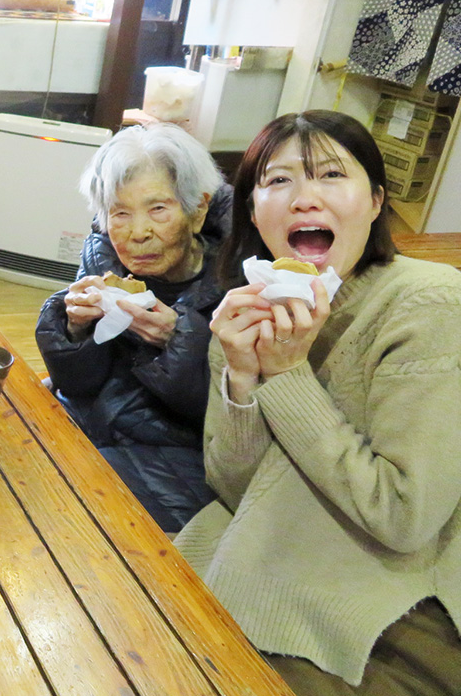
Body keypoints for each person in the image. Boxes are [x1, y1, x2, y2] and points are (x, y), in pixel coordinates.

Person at [176, 111, 461, 695]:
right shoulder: (247, 314)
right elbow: (234, 489)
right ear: (254, 211)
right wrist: (241, 374)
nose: (305, 198)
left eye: (332, 175)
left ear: (377, 201)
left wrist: (287, 374)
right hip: (252, 551)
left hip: (388, 600)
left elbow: (405, 518)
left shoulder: (429, 305)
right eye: (278, 181)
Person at [36, 123, 229, 532]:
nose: (138, 233)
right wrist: (74, 331)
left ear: (198, 211)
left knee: (53, 509)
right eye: (120, 213)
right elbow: (77, 385)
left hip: (177, 459)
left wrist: (177, 341)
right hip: (92, 431)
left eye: (158, 209)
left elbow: (228, 419)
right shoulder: (103, 258)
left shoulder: (235, 282)